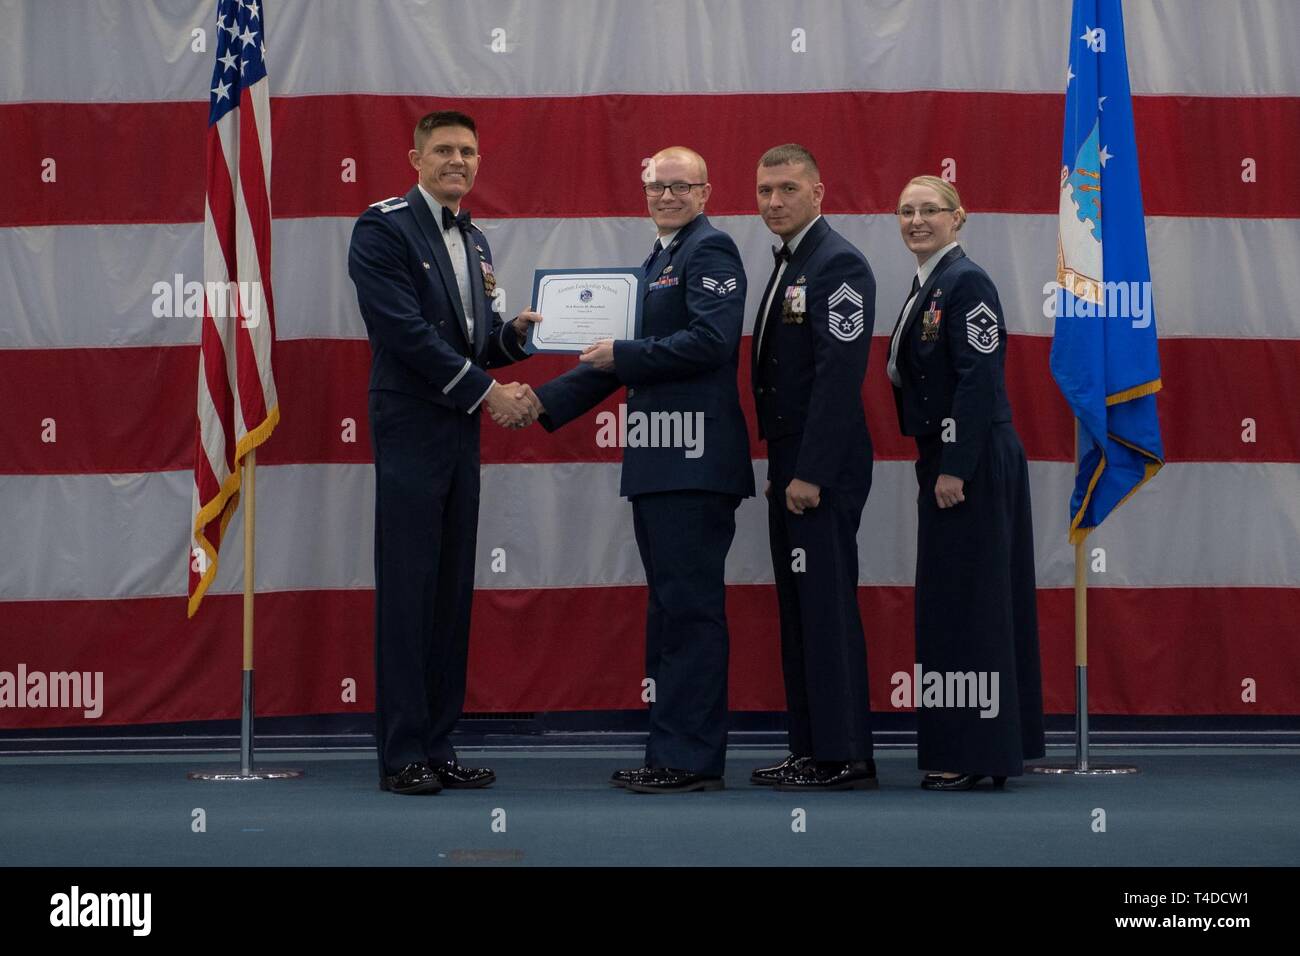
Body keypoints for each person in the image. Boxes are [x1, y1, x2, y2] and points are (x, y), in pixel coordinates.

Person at [532, 146, 753, 793]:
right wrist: (540, 402)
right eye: (658, 186)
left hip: (694, 464)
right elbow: (614, 363)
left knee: (690, 614)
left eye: (681, 187)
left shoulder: (709, 251)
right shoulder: (658, 259)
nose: (667, 196)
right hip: (660, 464)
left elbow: (711, 343)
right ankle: (669, 752)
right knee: (670, 613)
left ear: (706, 191)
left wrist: (622, 352)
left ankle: (689, 759)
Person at [348, 109, 542, 795]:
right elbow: (403, 334)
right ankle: (403, 753)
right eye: (444, 151)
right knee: (409, 590)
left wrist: (512, 339)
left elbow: (472, 342)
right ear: (415, 157)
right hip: (411, 425)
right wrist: (489, 393)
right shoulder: (382, 227)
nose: (457, 161)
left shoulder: (477, 239)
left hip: (459, 426)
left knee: (451, 591)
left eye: (468, 151)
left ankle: (439, 743)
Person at [886, 175, 1045, 790]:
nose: (917, 220)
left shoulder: (966, 281)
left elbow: (980, 376)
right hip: (949, 456)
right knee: (956, 604)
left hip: (969, 460)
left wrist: (955, 465)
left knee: (972, 608)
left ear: (960, 217)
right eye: (906, 211)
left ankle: (979, 755)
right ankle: (984, 743)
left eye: (930, 210)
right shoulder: (930, 282)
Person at [748, 145, 878, 791]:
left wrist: (811, 472)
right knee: (801, 611)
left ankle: (846, 754)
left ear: (819, 191)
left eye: (787, 189)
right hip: (794, 462)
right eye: (765, 190)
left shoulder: (839, 263)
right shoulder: (793, 260)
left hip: (820, 468)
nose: (774, 201)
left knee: (824, 608)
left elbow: (838, 375)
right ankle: (811, 748)